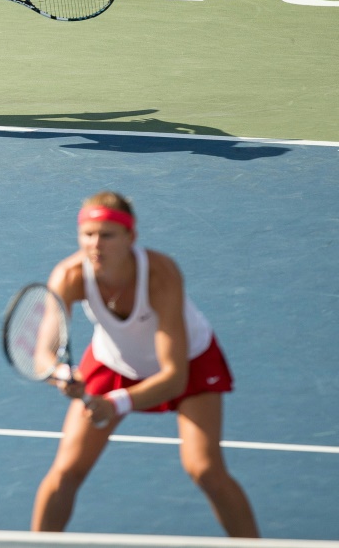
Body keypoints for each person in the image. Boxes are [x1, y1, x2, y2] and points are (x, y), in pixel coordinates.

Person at [31, 191, 259, 538]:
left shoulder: (160, 275)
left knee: (204, 469)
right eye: (88, 235)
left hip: (189, 362)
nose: (96, 244)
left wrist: (115, 402)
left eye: (107, 235)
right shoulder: (69, 275)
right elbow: (42, 356)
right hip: (113, 363)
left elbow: (173, 376)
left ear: (131, 237)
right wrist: (64, 375)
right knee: (65, 472)